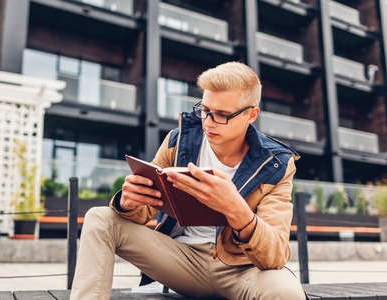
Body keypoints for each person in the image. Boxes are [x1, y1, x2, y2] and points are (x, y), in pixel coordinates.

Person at [70, 61, 306, 299]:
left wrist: (236, 210)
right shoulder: (179, 140)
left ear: (251, 115)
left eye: (222, 115)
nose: (209, 122)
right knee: (99, 218)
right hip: (181, 260)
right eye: (205, 110)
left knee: (286, 291)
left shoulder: (276, 163)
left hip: (242, 269)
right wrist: (129, 203)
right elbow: (144, 212)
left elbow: (274, 255)